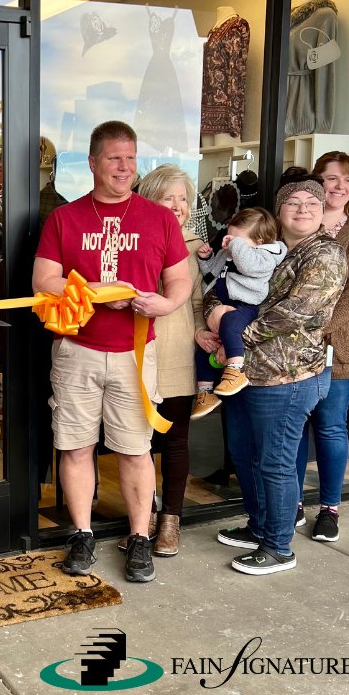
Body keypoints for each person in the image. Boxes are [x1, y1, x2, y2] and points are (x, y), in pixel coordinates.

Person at [33, 121, 191, 583]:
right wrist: (98, 290)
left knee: (135, 449)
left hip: (136, 352)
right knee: (76, 446)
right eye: (113, 158)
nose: (123, 167)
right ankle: (81, 534)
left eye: (130, 158)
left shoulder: (158, 218)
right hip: (76, 350)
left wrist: (166, 302)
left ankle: (139, 537)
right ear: (93, 163)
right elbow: (43, 281)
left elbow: (179, 280)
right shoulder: (65, 218)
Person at [214, 174, 346, 575]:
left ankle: (277, 547)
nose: (302, 208)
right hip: (248, 374)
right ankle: (260, 527)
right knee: (247, 457)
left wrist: (239, 335)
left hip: (287, 378)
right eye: (293, 203)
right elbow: (221, 286)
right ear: (280, 211)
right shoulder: (274, 251)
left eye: (311, 202)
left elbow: (298, 310)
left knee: (275, 463)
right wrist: (213, 319)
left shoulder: (324, 255)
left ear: (322, 211)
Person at [295, 152, 349, 539]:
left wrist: (319, 326)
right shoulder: (302, 221)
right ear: (317, 182)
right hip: (294, 348)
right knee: (293, 428)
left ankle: (329, 508)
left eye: (347, 179)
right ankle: (292, 502)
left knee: (330, 427)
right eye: (331, 179)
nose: (340, 187)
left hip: (341, 345)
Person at [133, 164, 209, 556]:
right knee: (138, 442)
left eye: (184, 198)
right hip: (137, 352)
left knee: (176, 442)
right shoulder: (133, 239)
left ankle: (170, 522)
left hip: (179, 352)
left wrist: (202, 333)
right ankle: (142, 514)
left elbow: (197, 303)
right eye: (169, 197)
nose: (178, 206)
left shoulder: (197, 247)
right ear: (150, 199)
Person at [192, 208, 286, 417]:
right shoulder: (230, 253)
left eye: (236, 239)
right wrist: (206, 261)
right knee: (205, 348)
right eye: (229, 236)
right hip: (223, 303)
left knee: (231, 323)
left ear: (260, 240)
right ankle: (206, 392)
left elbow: (249, 266)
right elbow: (212, 277)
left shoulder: (264, 256)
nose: (229, 242)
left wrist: (236, 246)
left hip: (245, 306)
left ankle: (235, 370)